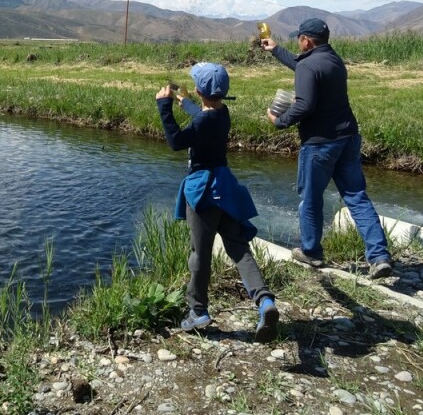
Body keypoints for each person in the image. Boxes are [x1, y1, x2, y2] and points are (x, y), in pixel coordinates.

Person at [260, 17, 393, 279]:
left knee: (310, 198)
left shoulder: (308, 66)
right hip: (348, 139)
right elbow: (302, 65)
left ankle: (311, 251)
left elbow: (304, 105)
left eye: (299, 38)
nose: (298, 43)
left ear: (306, 40)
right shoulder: (333, 60)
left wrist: (280, 121)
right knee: (356, 196)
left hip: (320, 144)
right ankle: (379, 257)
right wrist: (275, 49)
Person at [156, 62, 279, 342]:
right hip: (226, 186)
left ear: (198, 90)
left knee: (199, 254)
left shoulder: (202, 121)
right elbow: (204, 116)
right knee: (238, 247)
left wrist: (164, 106)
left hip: (203, 190)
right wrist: (185, 104)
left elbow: (176, 140)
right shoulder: (223, 114)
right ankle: (265, 301)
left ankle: (198, 311)